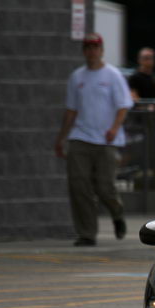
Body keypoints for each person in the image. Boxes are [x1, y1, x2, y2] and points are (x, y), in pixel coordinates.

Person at [54, 33, 133, 246]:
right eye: (88, 47)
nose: (91, 51)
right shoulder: (77, 77)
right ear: (84, 51)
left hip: (106, 139)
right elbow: (71, 110)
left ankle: (117, 212)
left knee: (105, 187)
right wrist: (62, 138)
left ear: (101, 50)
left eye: (95, 47)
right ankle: (87, 233)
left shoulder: (112, 75)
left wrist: (114, 128)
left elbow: (123, 106)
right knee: (79, 185)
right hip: (80, 137)